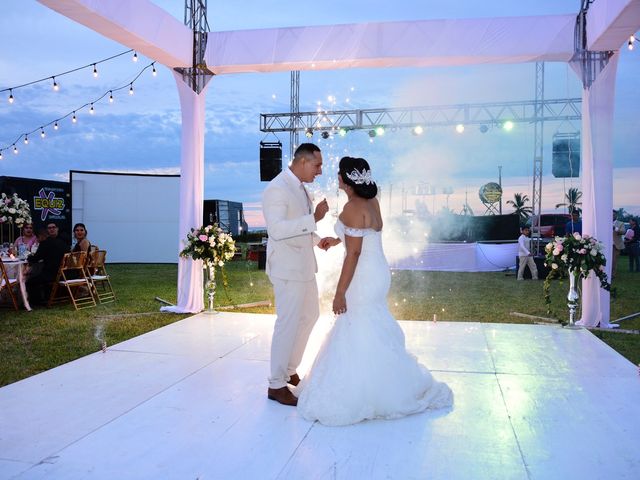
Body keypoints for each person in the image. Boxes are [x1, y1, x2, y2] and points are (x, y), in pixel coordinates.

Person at [296, 156, 453, 426]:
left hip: (362, 274)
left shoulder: (350, 208)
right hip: (378, 270)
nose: (337, 179)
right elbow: (362, 237)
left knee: (356, 322)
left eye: (338, 175)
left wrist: (339, 292)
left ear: (345, 180)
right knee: (370, 321)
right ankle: (387, 382)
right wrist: (337, 239)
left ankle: (365, 390)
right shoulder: (373, 202)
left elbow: (354, 254)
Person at [261, 143, 329, 406]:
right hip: (287, 269)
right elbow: (277, 230)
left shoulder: (301, 188)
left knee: (311, 315)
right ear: (302, 162)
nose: (320, 171)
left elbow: (299, 228)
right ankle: (275, 385)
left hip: (304, 266)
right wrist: (315, 220)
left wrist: (319, 240)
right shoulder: (277, 189)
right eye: (317, 165)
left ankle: (289, 369)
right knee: (287, 323)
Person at [26, 222, 68, 306]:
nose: (37, 240)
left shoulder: (45, 243)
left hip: (52, 274)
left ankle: (36, 302)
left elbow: (36, 258)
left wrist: (28, 257)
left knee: (30, 281)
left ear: (41, 236)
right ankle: (45, 297)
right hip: (64, 273)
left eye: (37, 237)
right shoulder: (62, 242)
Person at [612, 210, 626, 279]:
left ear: (616, 216)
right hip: (606, 246)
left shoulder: (621, 223)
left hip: (615, 245)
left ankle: (613, 275)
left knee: (614, 261)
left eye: (614, 215)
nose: (612, 216)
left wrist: (616, 229)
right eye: (611, 214)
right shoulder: (605, 222)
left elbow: (623, 232)